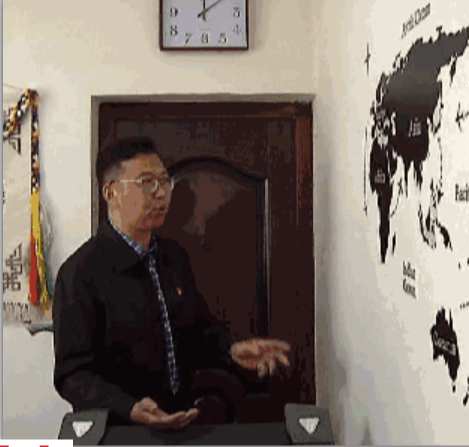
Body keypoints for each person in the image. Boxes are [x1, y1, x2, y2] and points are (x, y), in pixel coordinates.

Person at [53, 137, 291, 431]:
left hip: (183, 421)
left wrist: (232, 351)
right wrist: (129, 407)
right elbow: (73, 376)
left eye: (164, 181)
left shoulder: (173, 257)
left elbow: (198, 332)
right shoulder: (80, 272)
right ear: (111, 193)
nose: (160, 192)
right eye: (146, 182)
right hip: (120, 430)